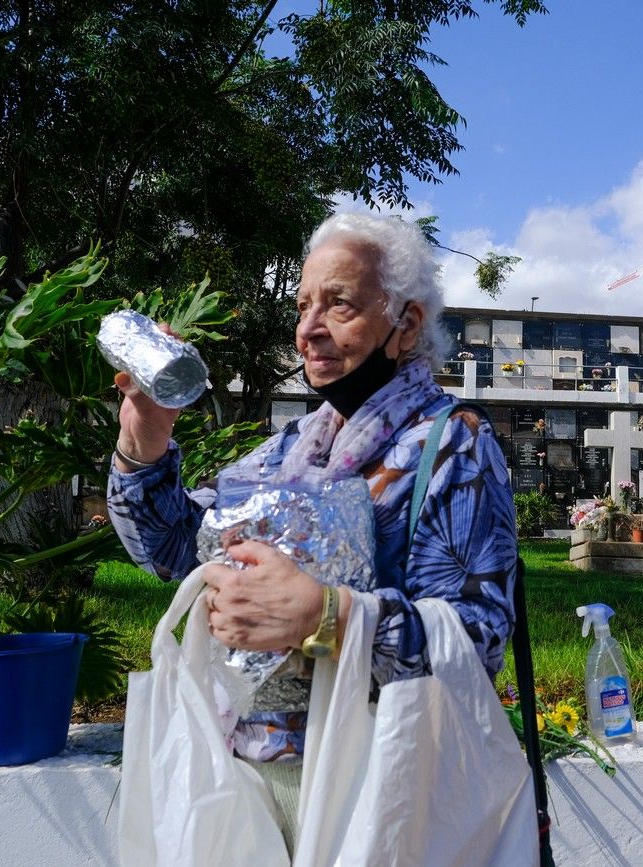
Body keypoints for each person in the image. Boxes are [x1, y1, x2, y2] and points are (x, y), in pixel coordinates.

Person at [106, 212, 520, 850]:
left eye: (339, 304)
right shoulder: (291, 448)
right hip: (249, 782)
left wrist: (325, 616)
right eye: (303, 307)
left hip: (377, 783)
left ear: (407, 323)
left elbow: (478, 641)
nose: (308, 330)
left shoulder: (451, 444)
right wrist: (146, 439)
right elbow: (175, 550)